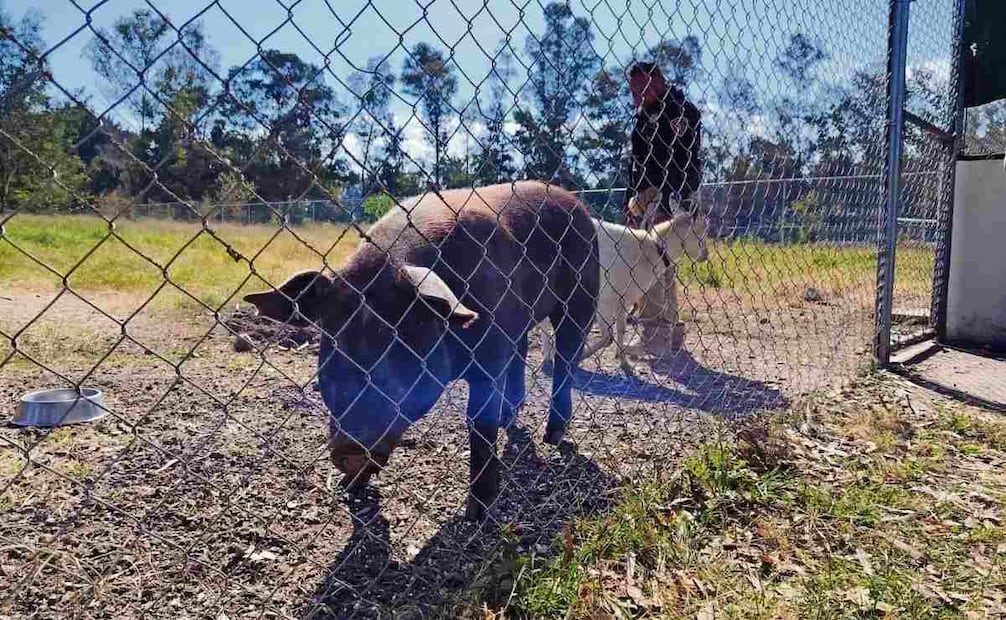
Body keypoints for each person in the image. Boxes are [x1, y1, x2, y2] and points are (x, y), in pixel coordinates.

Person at [622, 61, 705, 358]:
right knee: (662, 263)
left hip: (673, 194)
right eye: (632, 91)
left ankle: (654, 333)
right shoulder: (644, 117)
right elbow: (635, 166)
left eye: (641, 89)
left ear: (657, 81)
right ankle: (671, 331)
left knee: (652, 260)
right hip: (647, 195)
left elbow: (682, 163)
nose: (636, 96)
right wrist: (632, 202)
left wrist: (668, 205)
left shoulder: (680, 112)